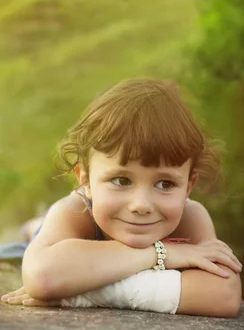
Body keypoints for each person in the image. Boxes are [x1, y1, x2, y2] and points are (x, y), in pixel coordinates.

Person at [1, 78, 242, 316]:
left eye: (165, 184)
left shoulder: (191, 216)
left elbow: (224, 295)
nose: (141, 205)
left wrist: (84, 293)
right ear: (85, 180)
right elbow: (42, 275)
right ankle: (33, 226)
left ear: (189, 186)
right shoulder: (75, 212)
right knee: (40, 228)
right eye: (121, 180)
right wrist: (162, 254)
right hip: (62, 223)